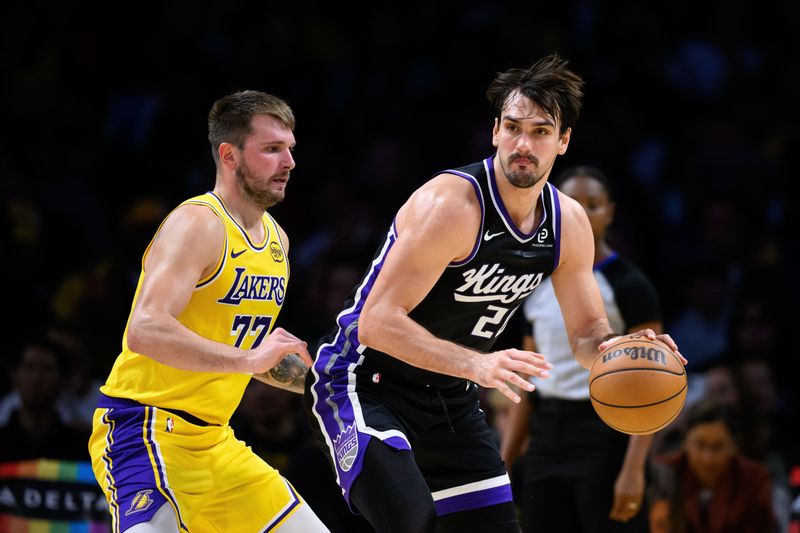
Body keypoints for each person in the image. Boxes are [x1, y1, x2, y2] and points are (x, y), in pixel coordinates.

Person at [304, 54, 683, 533]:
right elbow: (376, 322)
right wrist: (477, 364)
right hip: (362, 381)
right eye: (513, 127)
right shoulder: (452, 205)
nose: (524, 144)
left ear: (563, 141)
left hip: (449, 396)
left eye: (542, 131)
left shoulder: (567, 223)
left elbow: (588, 333)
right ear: (495, 132)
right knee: (413, 523)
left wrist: (625, 351)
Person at [87, 91, 329, 532]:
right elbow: (144, 329)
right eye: (272, 149)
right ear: (229, 155)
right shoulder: (197, 223)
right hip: (143, 430)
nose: (290, 162)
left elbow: (250, 353)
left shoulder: (278, 241)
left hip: (214, 441)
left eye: (290, 148)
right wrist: (248, 359)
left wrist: (330, 383)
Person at [500, 165, 662, 532]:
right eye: (574, 203)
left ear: (611, 212)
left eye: (595, 204)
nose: (585, 212)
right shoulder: (535, 280)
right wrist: (505, 462)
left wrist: (634, 470)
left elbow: (650, 386)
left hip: (605, 432)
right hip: (545, 436)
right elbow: (528, 380)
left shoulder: (631, 285)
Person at [653, 398, 776, 533]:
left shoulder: (755, 479)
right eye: (700, 444)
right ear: (685, 442)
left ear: (734, 446)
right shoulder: (663, 472)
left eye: (718, 447)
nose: (708, 458)